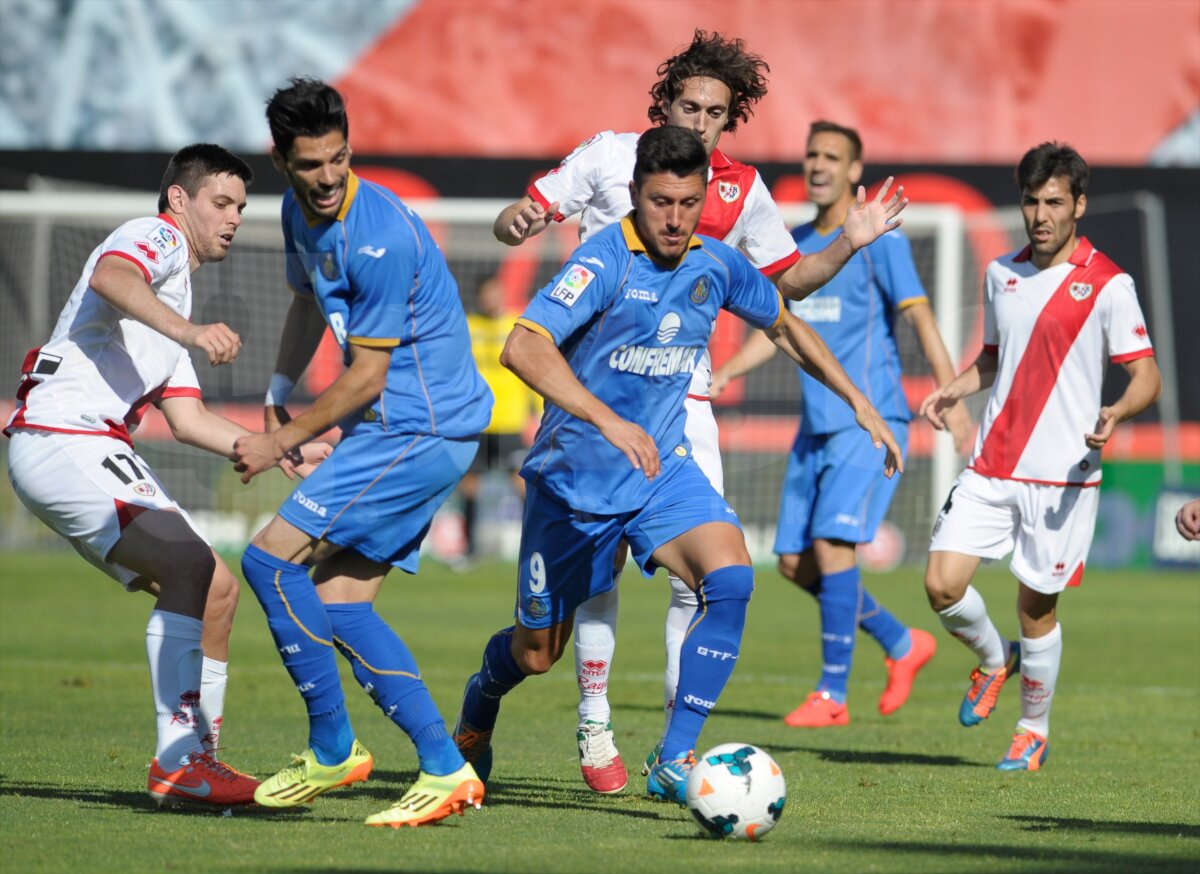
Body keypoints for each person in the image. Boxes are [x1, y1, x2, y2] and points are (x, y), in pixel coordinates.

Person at [492, 29, 908, 793]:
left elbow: (785, 297)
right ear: (664, 106)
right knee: (568, 611)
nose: (702, 122)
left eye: (717, 112)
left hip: (680, 395)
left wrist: (847, 245)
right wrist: (518, 219)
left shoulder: (737, 198)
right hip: (585, 401)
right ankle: (592, 720)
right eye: (690, 105)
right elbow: (524, 230)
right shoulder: (611, 162)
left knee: (714, 579)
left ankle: (677, 750)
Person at [229, 78, 493, 827]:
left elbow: (368, 373)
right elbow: (311, 297)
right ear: (282, 160)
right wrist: (280, 385)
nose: (327, 177)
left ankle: (333, 747)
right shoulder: (297, 212)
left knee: (269, 562)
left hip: (416, 428)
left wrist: (281, 438)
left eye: (339, 159)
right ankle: (446, 769)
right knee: (339, 603)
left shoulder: (380, 234)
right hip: (408, 428)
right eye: (311, 163)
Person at [4, 144, 300, 807]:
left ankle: (200, 764)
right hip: (64, 435)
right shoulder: (154, 237)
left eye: (241, 207)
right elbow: (112, 276)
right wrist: (191, 332)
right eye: (221, 203)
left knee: (217, 587)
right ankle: (180, 761)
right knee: (192, 568)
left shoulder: (174, 290)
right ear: (178, 201)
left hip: (86, 443)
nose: (233, 218)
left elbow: (189, 420)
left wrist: (284, 446)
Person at [711, 121, 969, 728]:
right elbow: (781, 332)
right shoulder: (798, 248)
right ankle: (902, 643)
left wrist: (951, 393)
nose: (818, 164)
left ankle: (832, 694)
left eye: (833, 156)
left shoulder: (881, 242)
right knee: (795, 564)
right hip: (815, 428)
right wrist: (728, 372)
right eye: (811, 155)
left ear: (856, 171)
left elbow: (921, 317)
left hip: (868, 422)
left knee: (832, 548)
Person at [919, 142, 1161, 771]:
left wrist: (1117, 412)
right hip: (992, 463)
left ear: (1079, 204)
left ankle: (1032, 730)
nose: (1040, 214)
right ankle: (994, 659)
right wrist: (955, 387)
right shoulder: (1001, 273)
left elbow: (1145, 376)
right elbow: (996, 362)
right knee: (941, 585)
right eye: (1031, 201)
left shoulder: (1110, 284)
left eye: (1054, 201)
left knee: (1036, 606)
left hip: (1062, 477)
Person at [456, 275, 540, 567]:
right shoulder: (467, 327)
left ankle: (534, 548)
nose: (493, 299)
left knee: (521, 484)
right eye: (488, 293)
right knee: (469, 485)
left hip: (509, 420)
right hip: (475, 420)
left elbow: (533, 368)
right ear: (480, 296)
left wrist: (538, 410)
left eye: (497, 293)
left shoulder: (516, 325)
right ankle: (469, 551)